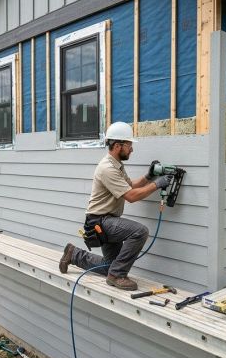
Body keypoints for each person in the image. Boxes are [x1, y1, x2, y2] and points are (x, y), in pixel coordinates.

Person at [58, 121, 171, 291]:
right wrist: (157, 185)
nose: (131, 149)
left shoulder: (116, 166)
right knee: (140, 231)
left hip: (105, 221)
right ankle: (117, 275)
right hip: (100, 222)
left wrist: (149, 176)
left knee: (109, 266)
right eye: (129, 145)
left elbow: (130, 186)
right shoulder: (107, 168)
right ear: (118, 146)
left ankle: (73, 254)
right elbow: (131, 196)